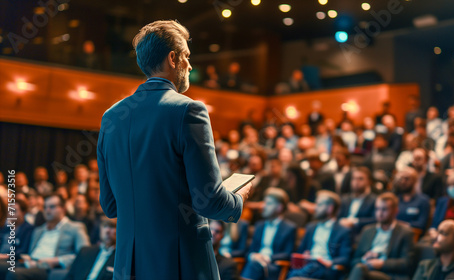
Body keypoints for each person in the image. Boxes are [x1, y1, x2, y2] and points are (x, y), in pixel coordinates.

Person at [97, 20, 252, 280]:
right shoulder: (189, 110)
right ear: (173, 58)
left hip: (128, 267)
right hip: (179, 265)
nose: (190, 66)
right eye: (187, 57)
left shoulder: (111, 117)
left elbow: (110, 205)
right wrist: (239, 198)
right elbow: (210, 201)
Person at [0, 194, 90, 280]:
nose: (47, 210)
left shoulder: (75, 227)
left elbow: (85, 255)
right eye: (45, 207)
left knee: (15, 274)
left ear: (63, 209)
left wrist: (57, 260)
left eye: (52, 207)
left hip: (48, 268)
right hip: (28, 263)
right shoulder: (39, 230)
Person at [288, 190, 352, 280]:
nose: (315, 208)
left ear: (330, 208)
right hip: (309, 264)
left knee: (297, 274)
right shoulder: (310, 227)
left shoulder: (343, 231)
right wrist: (304, 255)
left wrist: (330, 262)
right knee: (299, 272)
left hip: (326, 269)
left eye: (319, 205)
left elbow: (345, 258)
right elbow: (300, 251)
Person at [349, 193, 415, 280]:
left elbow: (407, 263)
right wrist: (364, 258)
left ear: (395, 211)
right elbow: (354, 261)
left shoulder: (405, 233)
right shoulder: (367, 230)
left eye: (384, 209)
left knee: (360, 271)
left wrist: (382, 263)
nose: (379, 213)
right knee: (359, 269)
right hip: (365, 269)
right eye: (377, 209)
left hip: (388, 274)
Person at [241, 188, 296, 280]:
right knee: (253, 264)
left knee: (253, 266)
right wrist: (253, 256)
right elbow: (250, 250)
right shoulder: (259, 225)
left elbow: (287, 254)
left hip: (272, 266)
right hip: (255, 263)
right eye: (264, 202)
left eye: (268, 203)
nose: (263, 206)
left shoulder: (289, 228)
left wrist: (267, 257)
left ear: (279, 207)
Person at [338, 167, 377, 235]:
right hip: (341, 233)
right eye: (354, 178)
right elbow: (336, 217)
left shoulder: (374, 200)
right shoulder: (344, 199)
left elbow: (375, 220)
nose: (356, 182)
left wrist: (355, 222)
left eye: (360, 179)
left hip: (361, 234)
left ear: (369, 181)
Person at [393, 167, 430, 232]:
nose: (403, 181)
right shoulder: (395, 199)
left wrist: (399, 225)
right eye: (401, 179)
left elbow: (421, 224)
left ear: (415, 181)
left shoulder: (423, 200)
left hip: (414, 234)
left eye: (407, 179)